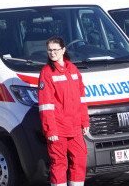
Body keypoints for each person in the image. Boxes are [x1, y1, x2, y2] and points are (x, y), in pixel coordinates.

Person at [38, 36, 91, 186]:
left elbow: (81, 99)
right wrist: (50, 130)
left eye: (55, 50)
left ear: (63, 50)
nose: (52, 53)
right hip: (58, 128)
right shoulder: (47, 73)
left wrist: (84, 121)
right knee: (59, 163)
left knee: (80, 159)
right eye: (49, 50)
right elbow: (45, 105)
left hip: (75, 127)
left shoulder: (72, 69)